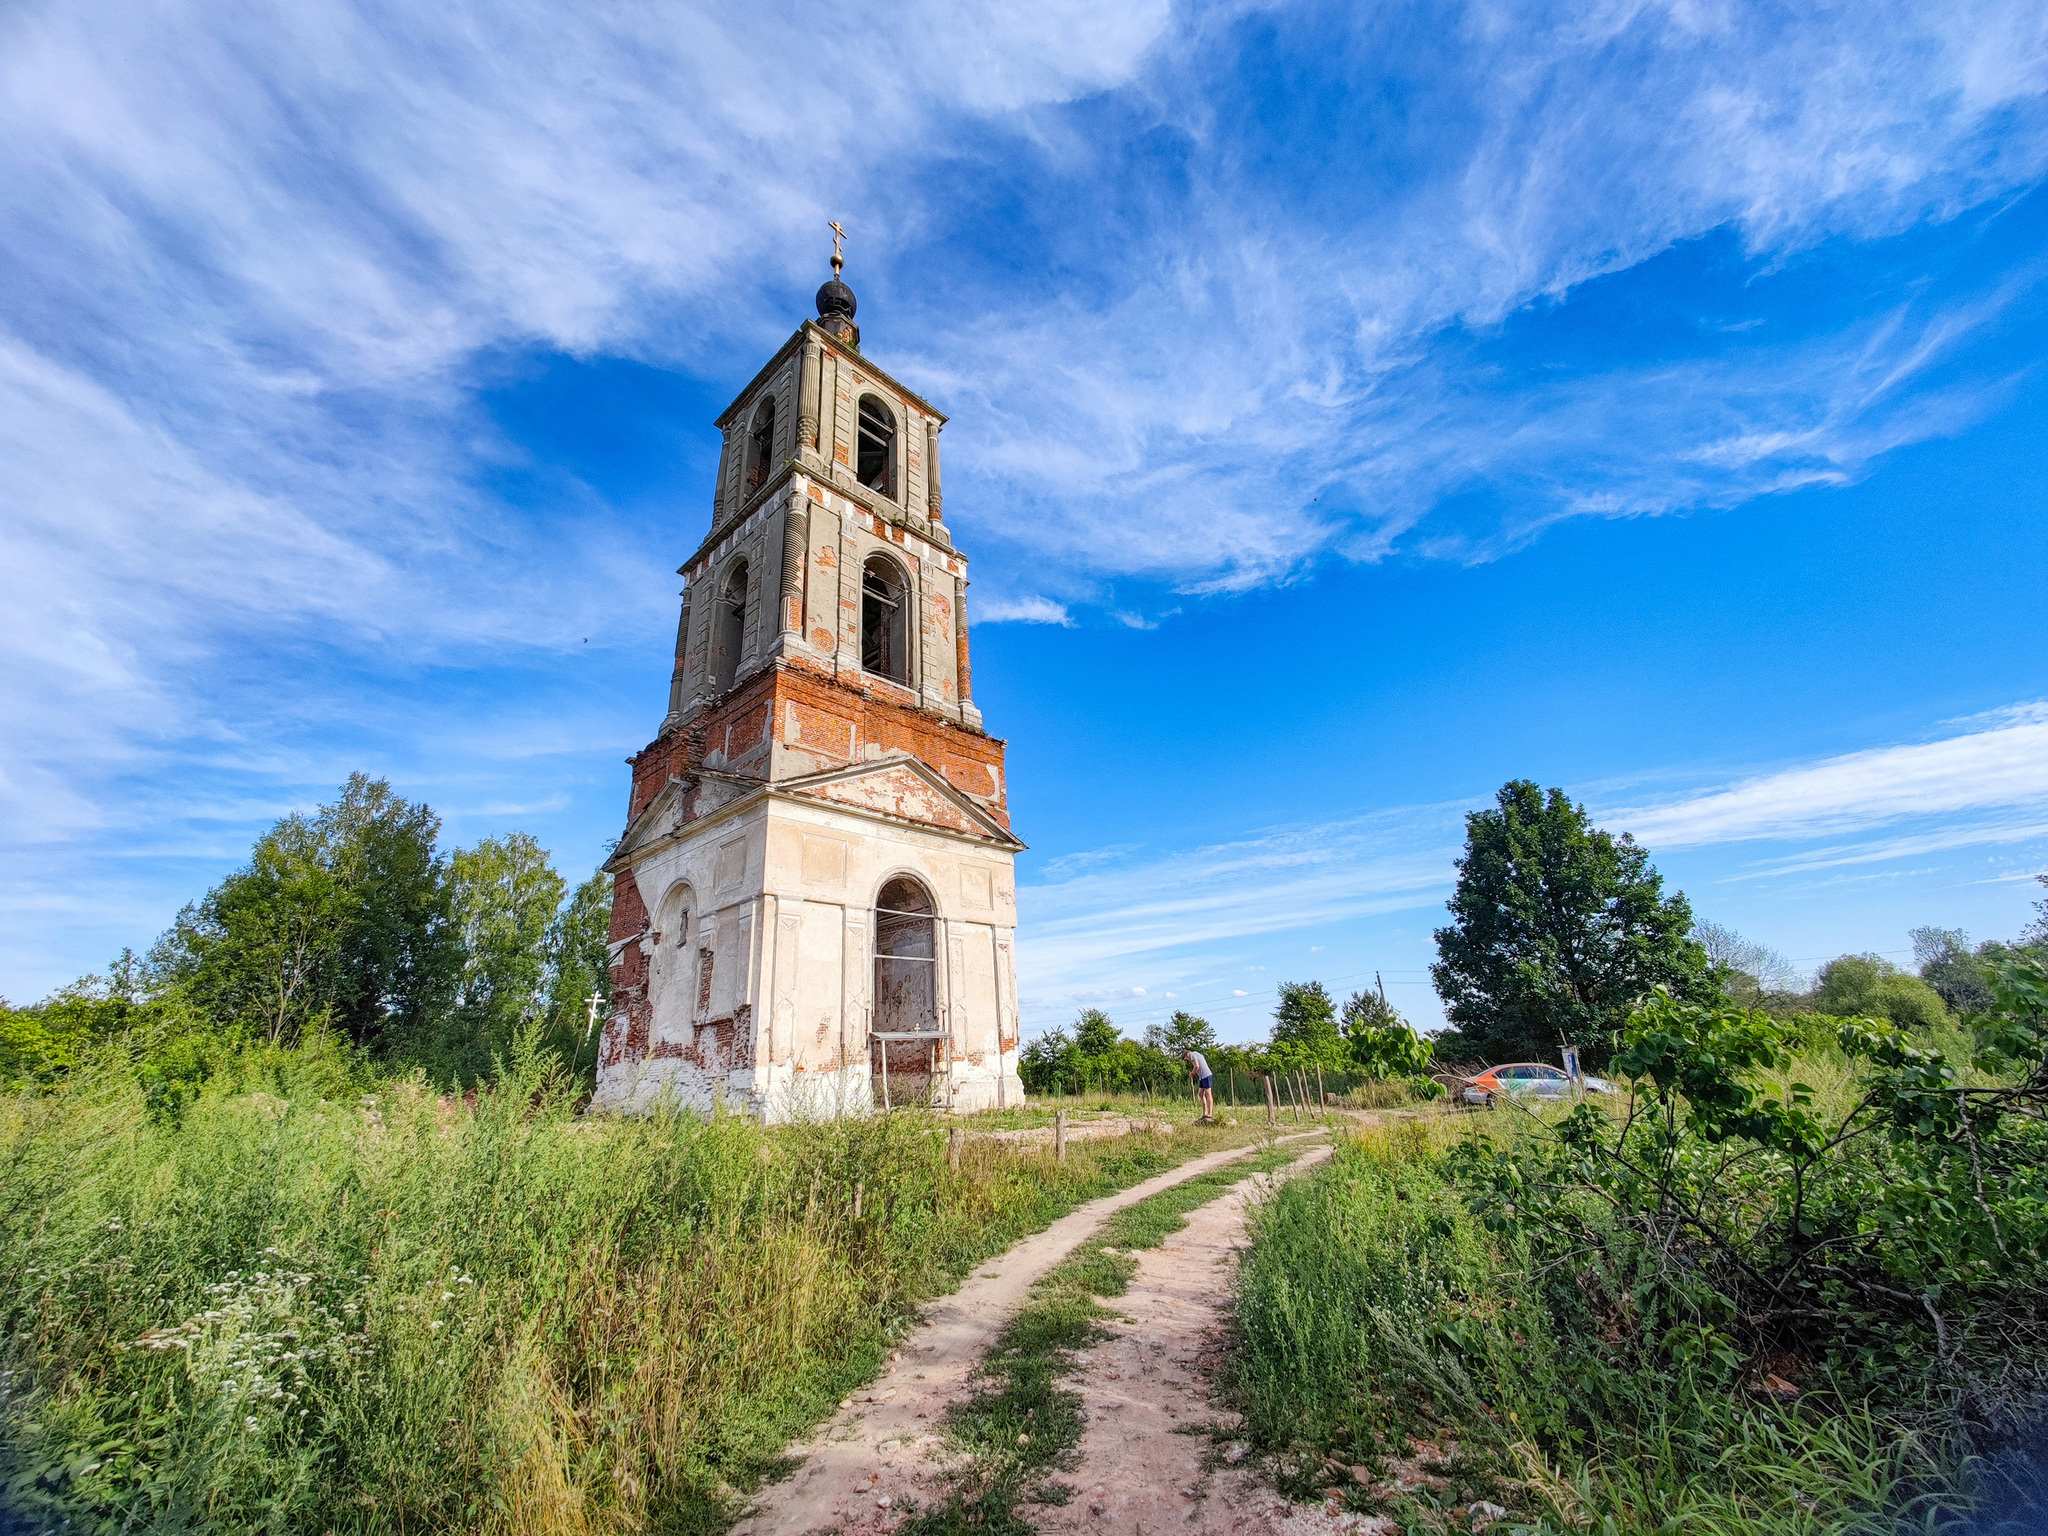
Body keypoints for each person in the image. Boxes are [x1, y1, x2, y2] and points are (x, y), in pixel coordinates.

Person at [1184, 1048, 1215, 1123]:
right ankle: (1205, 1112)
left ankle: (1210, 1113)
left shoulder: (1193, 1055)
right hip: (1202, 1077)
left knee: (1208, 1093)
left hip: (1206, 1075)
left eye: (1186, 1058)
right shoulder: (1196, 1053)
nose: (1187, 1060)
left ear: (1187, 1055)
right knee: (1201, 1093)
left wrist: (1192, 1073)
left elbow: (1197, 1066)